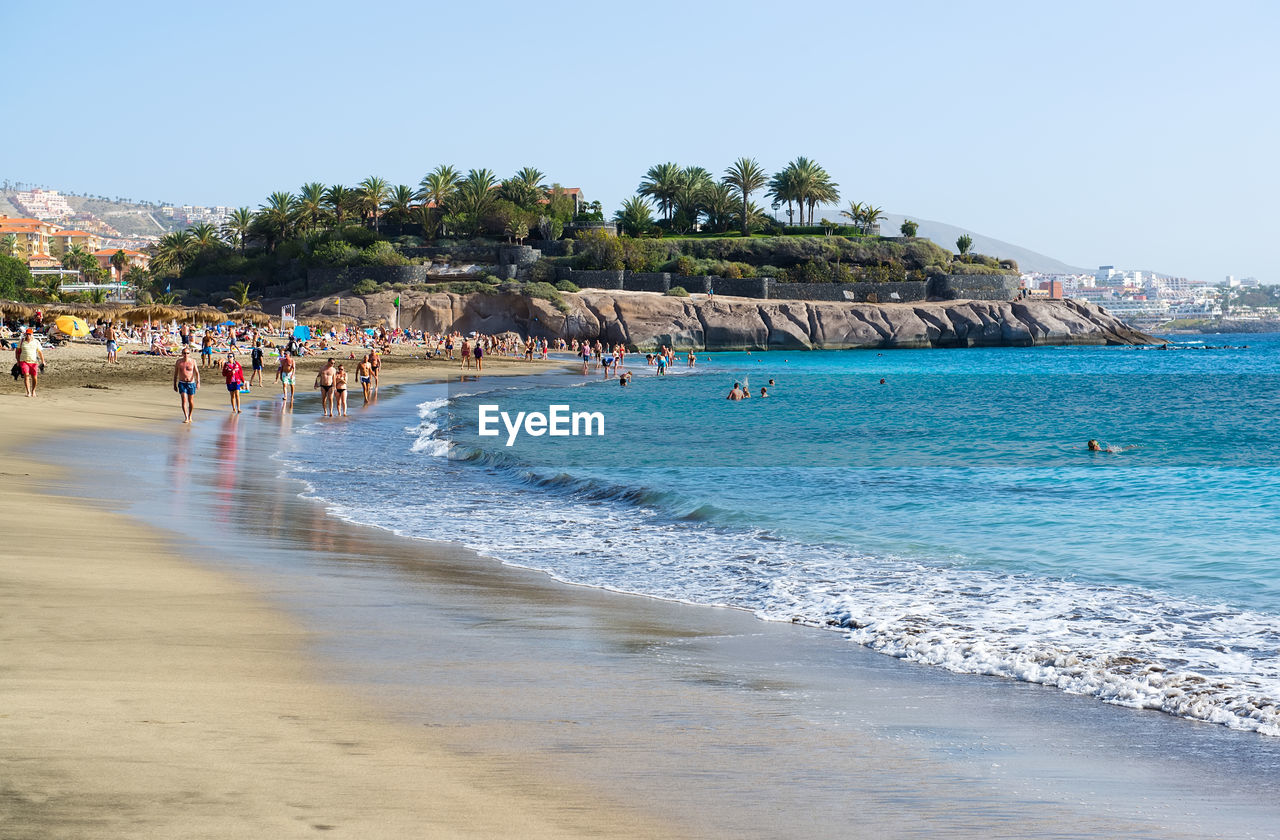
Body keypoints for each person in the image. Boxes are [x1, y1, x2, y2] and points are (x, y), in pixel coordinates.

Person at [15, 328, 45, 398]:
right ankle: (28, 392)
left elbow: (40, 352)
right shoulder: (21, 341)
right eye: (27, 334)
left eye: (29, 334)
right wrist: (18, 361)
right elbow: (17, 351)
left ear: (32, 335)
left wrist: (43, 361)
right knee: (26, 375)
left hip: (34, 362)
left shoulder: (36, 342)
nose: (28, 335)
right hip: (24, 361)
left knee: (34, 377)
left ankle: (33, 391)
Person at [173, 347, 200, 422]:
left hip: (191, 383)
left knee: (190, 400)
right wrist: (174, 384)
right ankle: (186, 417)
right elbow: (175, 374)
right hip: (182, 383)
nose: (186, 355)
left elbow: (197, 373)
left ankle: (190, 415)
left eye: (187, 353)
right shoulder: (179, 362)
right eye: (184, 353)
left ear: (189, 354)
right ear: (182, 354)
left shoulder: (193, 361)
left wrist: (198, 382)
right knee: (184, 400)